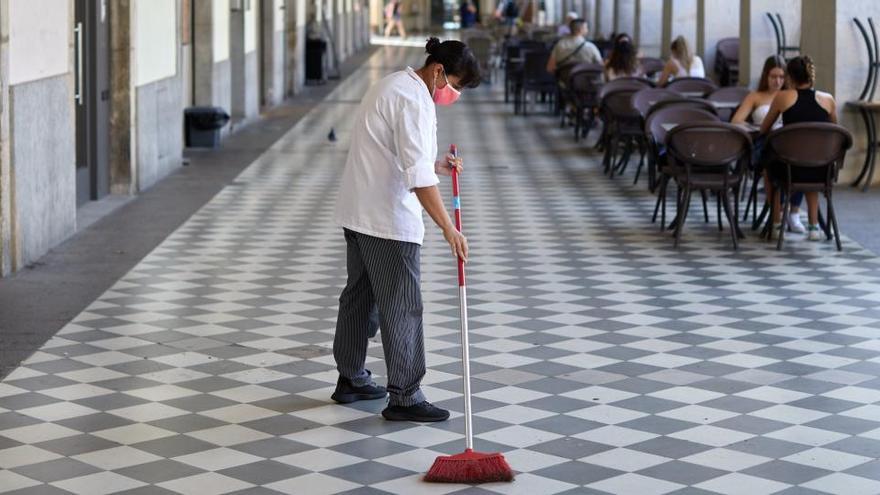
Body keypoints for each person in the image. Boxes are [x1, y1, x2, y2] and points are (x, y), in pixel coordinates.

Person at [332, 38, 481, 422]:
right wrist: (449, 228)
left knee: (359, 299)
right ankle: (406, 395)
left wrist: (437, 166)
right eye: (456, 85)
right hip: (387, 221)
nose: (454, 94)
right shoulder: (414, 100)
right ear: (438, 71)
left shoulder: (392, 84)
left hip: (359, 210)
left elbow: (396, 154)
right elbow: (414, 177)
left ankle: (350, 378)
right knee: (403, 306)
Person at [759, 55, 837, 241]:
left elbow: (764, 129)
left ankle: (777, 223)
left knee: (769, 167)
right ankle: (813, 227)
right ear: (811, 76)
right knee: (811, 162)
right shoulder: (828, 99)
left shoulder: (783, 97)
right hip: (822, 169)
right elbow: (835, 132)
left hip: (790, 168)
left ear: (789, 78)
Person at [731, 55, 806, 234]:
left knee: (804, 161)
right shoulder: (755, 96)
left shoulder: (791, 96)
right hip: (764, 142)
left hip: (790, 143)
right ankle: (776, 213)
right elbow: (736, 120)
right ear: (766, 76)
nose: (777, 81)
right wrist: (757, 127)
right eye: (773, 76)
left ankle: (794, 212)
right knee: (772, 164)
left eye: (781, 77)